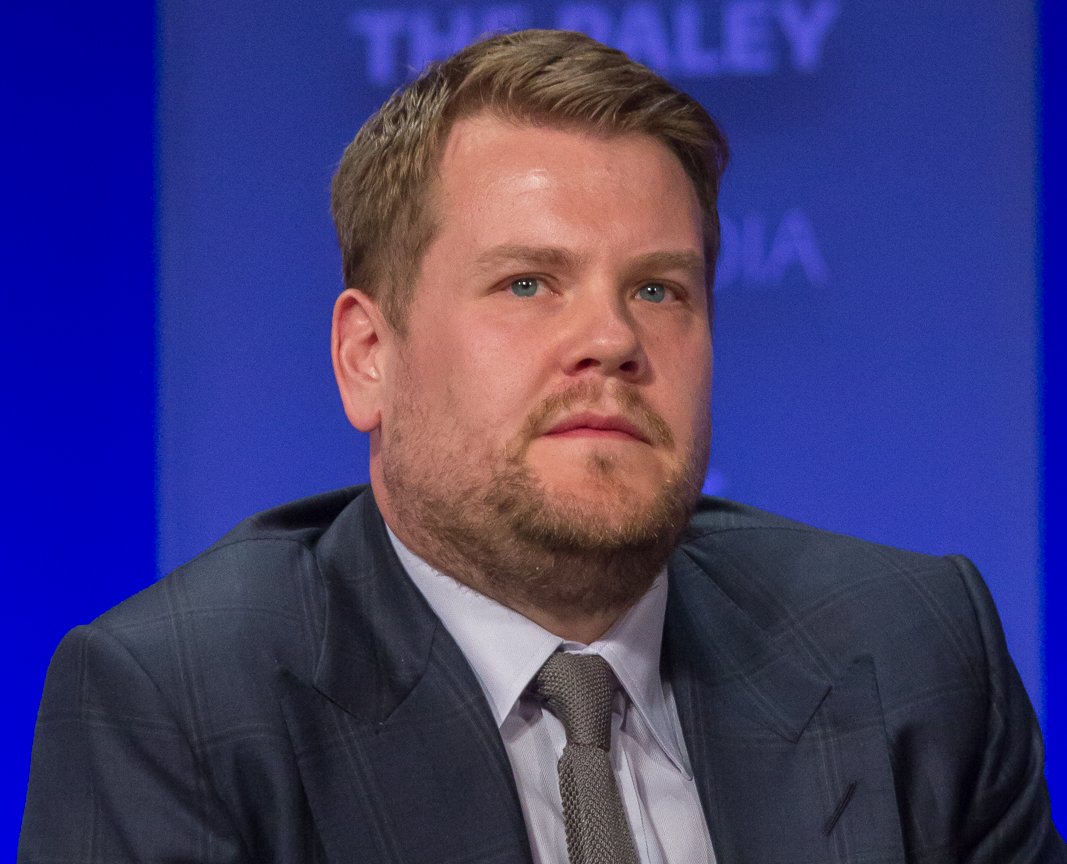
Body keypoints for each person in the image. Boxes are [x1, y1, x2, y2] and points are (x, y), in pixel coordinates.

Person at [19, 28, 1065, 864]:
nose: (611, 339)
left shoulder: (912, 651)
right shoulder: (184, 707)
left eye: (658, 289)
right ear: (366, 356)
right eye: (528, 284)